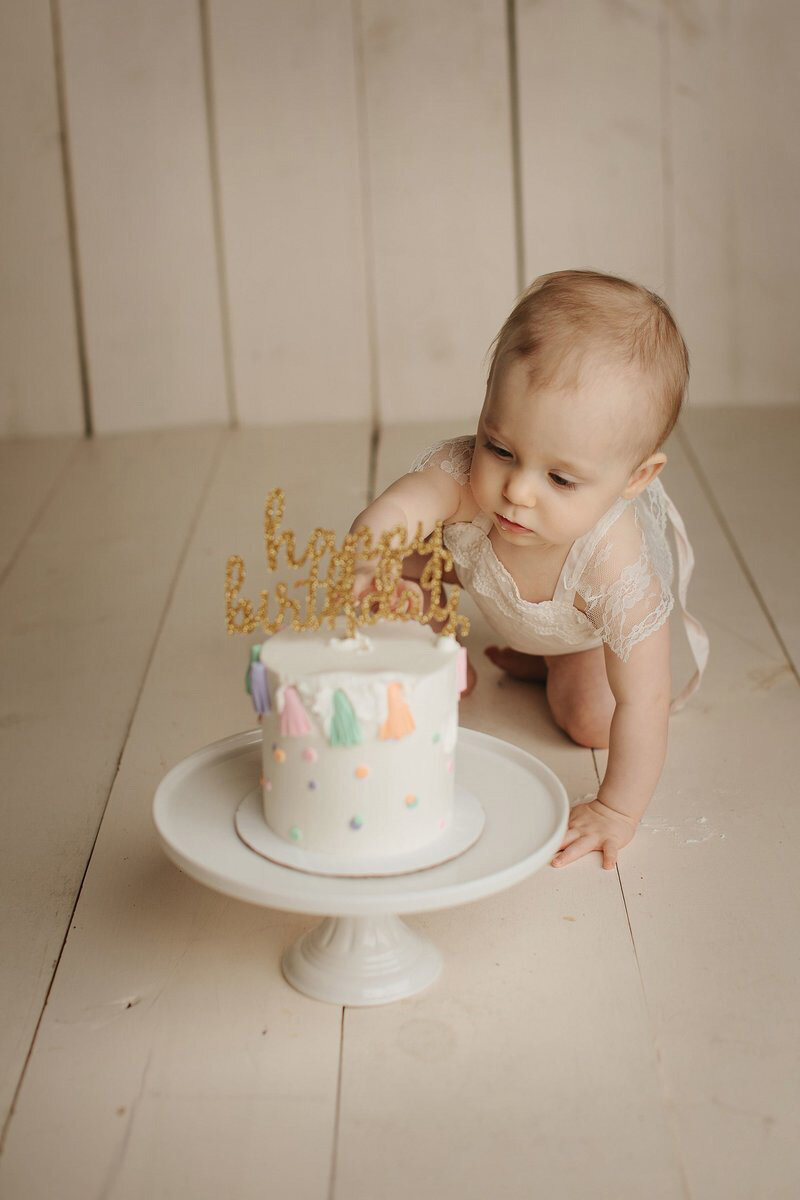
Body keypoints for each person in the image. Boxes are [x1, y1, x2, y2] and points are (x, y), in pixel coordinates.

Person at [348, 270, 709, 871]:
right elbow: (403, 505)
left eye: (560, 478)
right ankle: (433, 653)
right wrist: (370, 556)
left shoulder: (615, 568)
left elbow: (646, 698)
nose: (517, 490)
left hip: (576, 631)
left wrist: (618, 810)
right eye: (501, 447)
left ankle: (553, 663)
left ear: (636, 479)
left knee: (592, 720)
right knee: (405, 562)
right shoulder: (467, 478)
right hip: (479, 576)